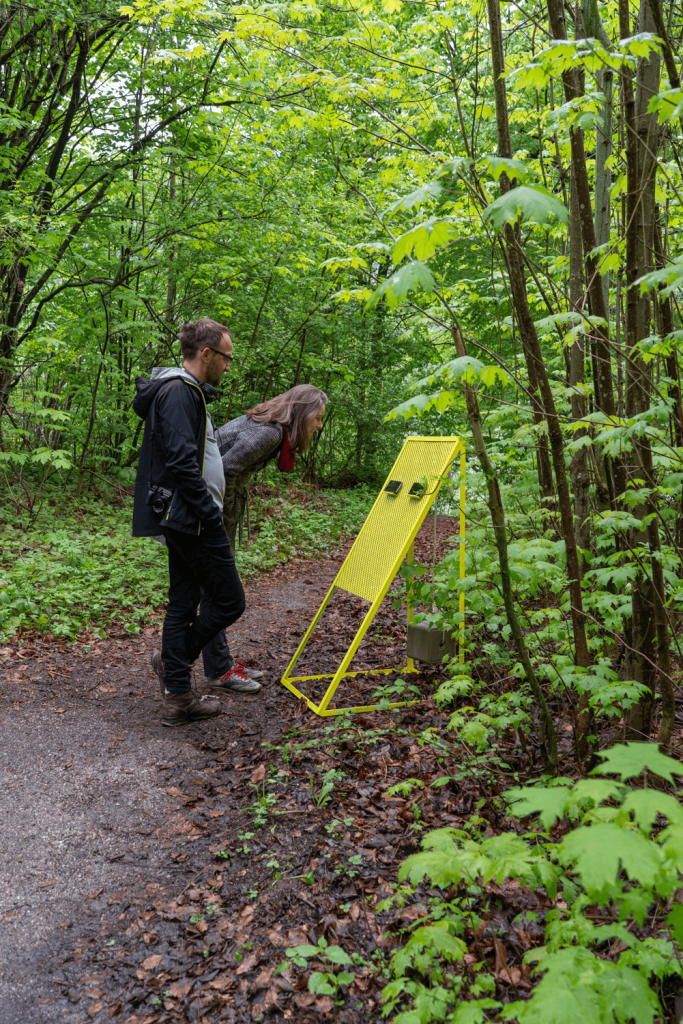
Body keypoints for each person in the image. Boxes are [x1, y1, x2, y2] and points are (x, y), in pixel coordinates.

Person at [132, 318, 245, 727]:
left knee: (183, 602)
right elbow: (181, 462)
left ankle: (178, 697)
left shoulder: (186, 391)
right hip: (192, 519)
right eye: (227, 358)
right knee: (231, 600)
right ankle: (172, 661)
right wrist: (210, 514)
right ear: (206, 354)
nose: (228, 367)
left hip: (185, 517)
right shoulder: (180, 392)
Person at [195, 385, 328, 692]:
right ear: (303, 412)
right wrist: (217, 523)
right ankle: (204, 667)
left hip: (213, 512)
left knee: (210, 591)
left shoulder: (270, 427)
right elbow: (224, 470)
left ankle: (219, 665)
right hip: (210, 515)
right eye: (318, 418)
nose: (319, 425)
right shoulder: (268, 433)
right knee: (219, 594)